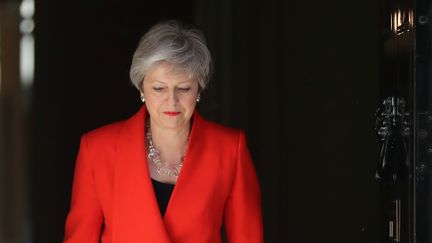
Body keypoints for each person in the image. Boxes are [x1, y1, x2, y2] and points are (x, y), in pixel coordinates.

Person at [63, 20, 263, 243]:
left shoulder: (229, 149)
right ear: (142, 88)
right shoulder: (98, 149)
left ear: (199, 88)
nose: (171, 100)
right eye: (159, 88)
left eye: (184, 88)